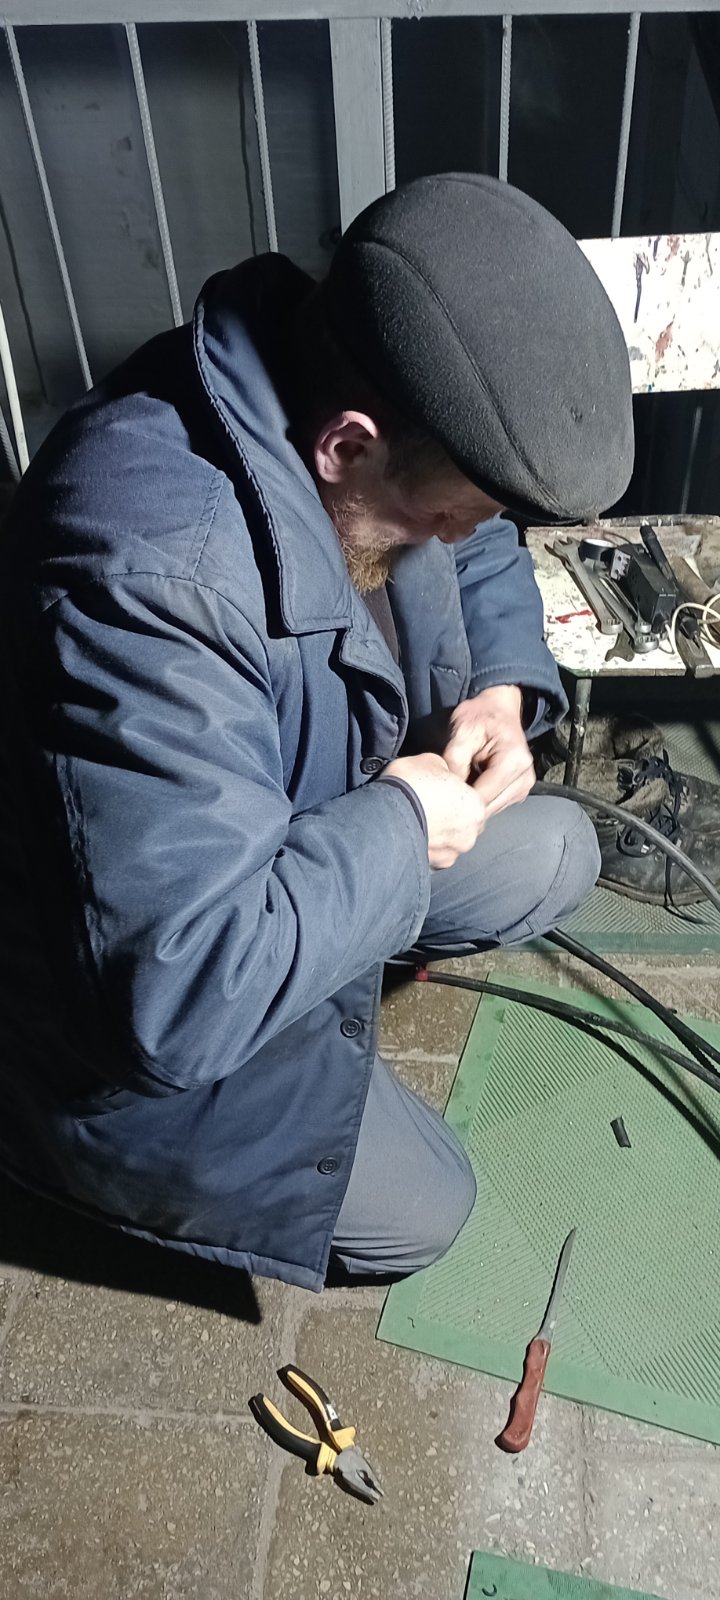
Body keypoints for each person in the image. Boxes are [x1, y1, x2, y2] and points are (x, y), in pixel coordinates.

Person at [0, 174, 633, 1292]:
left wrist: (502, 686)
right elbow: (174, 995)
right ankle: (44, 1165)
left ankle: (340, 952)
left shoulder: (357, 368)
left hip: (313, 827)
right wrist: (400, 825)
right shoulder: (145, 583)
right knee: (428, 1213)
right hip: (131, 1016)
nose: (460, 538)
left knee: (558, 853)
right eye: (444, 517)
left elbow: (479, 539)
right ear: (346, 447)